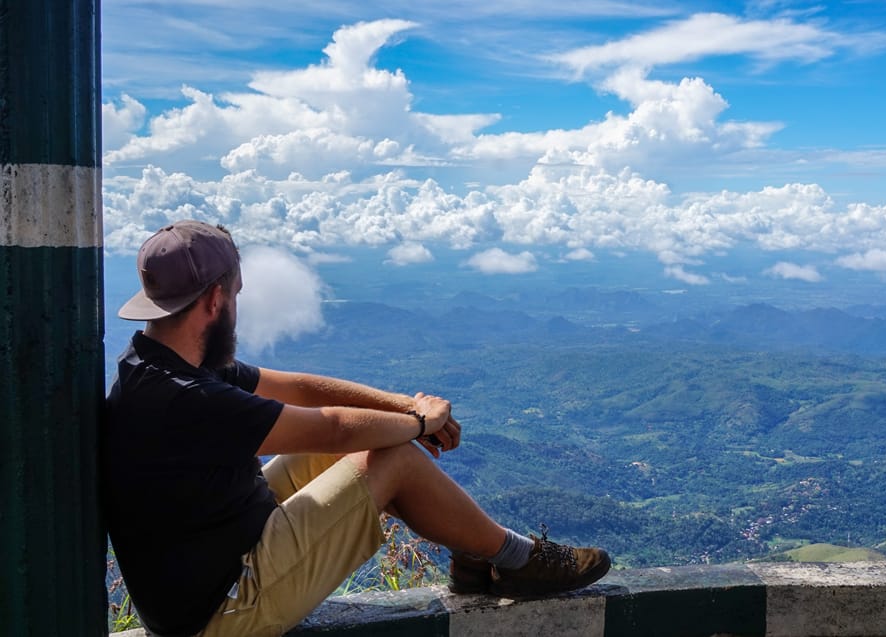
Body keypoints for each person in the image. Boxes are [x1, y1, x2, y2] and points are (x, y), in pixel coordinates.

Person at [102, 220, 611, 637]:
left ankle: (475, 557)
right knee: (391, 458)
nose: (237, 308)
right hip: (222, 609)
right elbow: (336, 430)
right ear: (215, 301)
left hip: (217, 553)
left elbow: (299, 389)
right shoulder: (185, 399)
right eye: (235, 294)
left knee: (360, 447)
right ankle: (516, 559)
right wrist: (416, 424)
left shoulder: (159, 363)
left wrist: (405, 406)